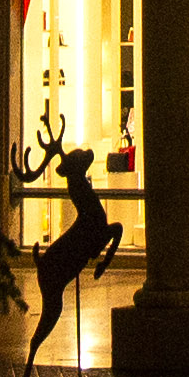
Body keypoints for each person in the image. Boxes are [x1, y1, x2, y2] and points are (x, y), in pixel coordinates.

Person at [25, 145, 123, 356]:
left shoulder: (82, 191)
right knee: (51, 312)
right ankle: (33, 351)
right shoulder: (79, 190)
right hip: (55, 263)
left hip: (60, 256)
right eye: (80, 159)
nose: (87, 155)